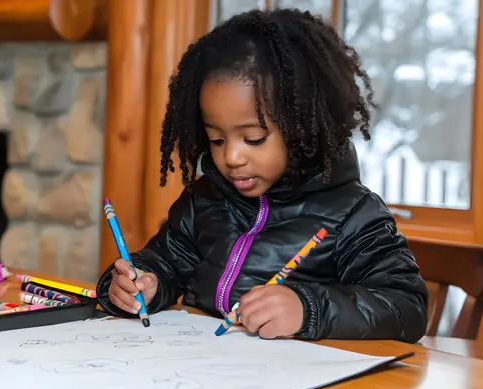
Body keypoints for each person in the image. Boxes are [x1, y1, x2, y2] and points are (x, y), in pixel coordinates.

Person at [96, 7, 428, 343]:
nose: (232, 157)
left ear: (302, 128)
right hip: (204, 371)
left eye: (254, 138)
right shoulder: (206, 198)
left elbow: (407, 307)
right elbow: (165, 263)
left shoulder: (353, 213)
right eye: (216, 139)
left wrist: (308, 309)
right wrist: (140, 282)